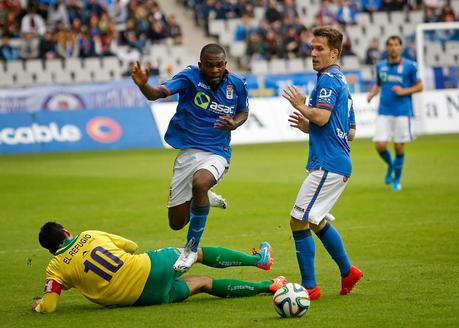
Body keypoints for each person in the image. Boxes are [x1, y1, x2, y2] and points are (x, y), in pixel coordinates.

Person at [131, 44, 250, 272]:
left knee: (201, 182)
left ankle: (190, 249)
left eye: (219, 65)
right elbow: (158, 94)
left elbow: (243, 111)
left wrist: (234, 123)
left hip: (217, 152)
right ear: (200, 65)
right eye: (209, 65)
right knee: (176, 223)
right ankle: (203, 198)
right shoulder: (189, 77)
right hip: (188, 154)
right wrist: (144, 85)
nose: (215, 70)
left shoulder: (237, 83)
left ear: (225, 65)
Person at [32, 222, 283, 313]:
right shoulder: (89, 234)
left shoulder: (55, 268)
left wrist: (39, 306)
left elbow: (51, 305)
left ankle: (269, 286)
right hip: (149, 268)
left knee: (203, 283)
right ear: (66, 232)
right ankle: (258, 260)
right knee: (196, 252)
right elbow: (131, 245)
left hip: (142, 298)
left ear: (51, 249)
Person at [281, 26, 363, 300]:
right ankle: (348, 271)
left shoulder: (328, 80)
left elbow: (322, 117)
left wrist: (301, 106)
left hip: (328, 164)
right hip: (336, 162)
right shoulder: (341, 81)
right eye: (312, 47)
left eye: (319, 49)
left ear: (334, 53)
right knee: (314, 221)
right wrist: (310, 126)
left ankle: (310, 287)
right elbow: (349, 131)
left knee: (297, 220)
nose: (313, 53)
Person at [367, 35, 423, 191]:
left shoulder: (410, 66)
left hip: (402, 112)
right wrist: (372, 94)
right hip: (384, 111)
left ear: (401, 47)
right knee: (379, 145)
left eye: (396, 44)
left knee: (399, 147)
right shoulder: (381, 66)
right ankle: (391, 165)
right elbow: (379, 84)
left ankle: (397, 180)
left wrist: (404, 91)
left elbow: (420, 87)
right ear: (387, 47)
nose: (393, 47)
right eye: (390, 45)